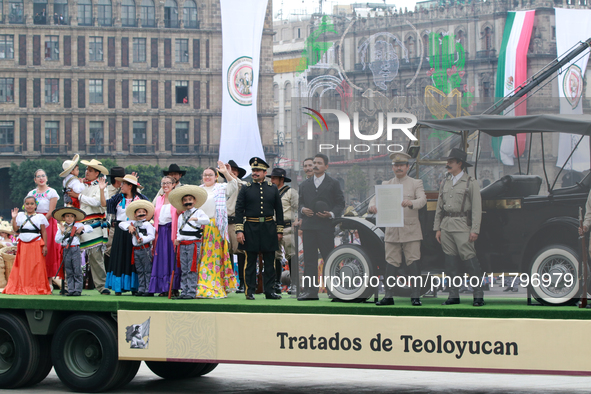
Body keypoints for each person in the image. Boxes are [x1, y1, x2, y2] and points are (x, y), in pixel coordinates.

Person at [368, 152, 427, 306]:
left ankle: (415, 296)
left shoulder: (416, 183)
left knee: (413, 261)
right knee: (391, 262)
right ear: (392, 167)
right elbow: (374, 199)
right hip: (392, 229)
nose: (398, 168)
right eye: (396, 165)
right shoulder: (386, 185)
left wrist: (411, 202)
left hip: (411, 230)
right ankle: (388, 295)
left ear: (407, 167)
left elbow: (422, 200)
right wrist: (371, 206)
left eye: (402, 165)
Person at [433, 148, 484, 307]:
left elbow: (476, 208)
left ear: (459, 164)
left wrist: (475, 229)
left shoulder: (470, 182)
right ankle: (453, 295)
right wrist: (437, 228)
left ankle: (478, 295)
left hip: (462, 224)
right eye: (448, 161)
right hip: (447, 224)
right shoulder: (446, 181)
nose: (447, 164)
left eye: (451, 162)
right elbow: (439, 207)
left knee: (470, 260)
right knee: (450, 263)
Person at [235, 157, 284, 300]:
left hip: (269, 227)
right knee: (250, 262)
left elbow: (279, 211)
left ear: (264, 172)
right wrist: (239, 230)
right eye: (253, 170)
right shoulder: (246, 188)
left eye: (258, 171)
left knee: (270, 262)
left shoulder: (272, 188)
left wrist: (279, 230)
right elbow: (239, 210)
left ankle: (270, 291)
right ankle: (249, 291)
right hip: (251, 227)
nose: (255, 173)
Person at [297, 153, 345, 300]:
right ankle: (311, 292)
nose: (315, 165)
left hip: (325, 227)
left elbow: (340, 203)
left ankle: (335, 290)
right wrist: (302, 210)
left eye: (318, 163)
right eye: (314, 163)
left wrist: (331, 214)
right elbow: (300, 203)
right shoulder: (304, 184)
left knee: (330, 259)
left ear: (326, 166)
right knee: (309, 260)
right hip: (309, 227)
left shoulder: (334, 183)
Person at [99, 174, 148, 295]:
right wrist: (101, 190)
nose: (121, 186)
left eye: (124, 184)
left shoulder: (141, 199)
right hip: (120, 232)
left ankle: (135, 286)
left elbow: (148, 212)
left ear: (130, 186)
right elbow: (104, 203)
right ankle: (118, 287)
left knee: (133, 259)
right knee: (119, 257)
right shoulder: (118, 198)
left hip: (135, 230)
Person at [196, 162, 238, 298]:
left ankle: (214, 284)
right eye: (205, 175)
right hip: (198, 227)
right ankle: (199, 285)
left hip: (214, 226)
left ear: (216, 177)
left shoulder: (221, 188)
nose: (207, 177)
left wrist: (226, 172)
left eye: (210, 175)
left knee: (212, 257)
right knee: (199, 256)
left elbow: (234, 185)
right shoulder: (198, 190)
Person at [69, 159, 110, 294]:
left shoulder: (102, 186)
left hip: (94, 226)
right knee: (72, 256)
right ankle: (72, 285)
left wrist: (79, 196)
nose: (87, 172)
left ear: (97, 173)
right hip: (78, 223)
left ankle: (102, 286)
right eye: (86, 169)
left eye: (90, 170)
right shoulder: (80, 185)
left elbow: (99, 202)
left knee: (96, 257)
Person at [3, 196, 51, 295]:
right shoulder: (20, 215)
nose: (29, 206)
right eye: (27, 204)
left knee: (36, 265)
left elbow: (44, 232)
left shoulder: (40, 217)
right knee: (22, 266)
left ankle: (37, 287)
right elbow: (16, 229)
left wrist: (45, 246)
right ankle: (21, 286)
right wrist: (14, 218)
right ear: (24, 205)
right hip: (23, 244)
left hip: (36, 243)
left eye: (31, 204)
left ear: (35, 205)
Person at [169, 185, 209, 299]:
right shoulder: (181, 215)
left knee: (192, 268)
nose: (187, 202)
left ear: (194, 201)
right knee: (184, 268)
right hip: (182, 243)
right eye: (185, 200)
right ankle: (184, 291)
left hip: (193, 243)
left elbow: (206, 221)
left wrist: (197, 219)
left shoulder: (199, 212)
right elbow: (179, 230)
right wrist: (177, 239)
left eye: (190, 200)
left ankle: (191, 291)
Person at [149, 175, 181, 296]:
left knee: (173, 258)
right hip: (160, 232)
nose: (165, 185)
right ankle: (163, 287)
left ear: (173, 185)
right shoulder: (159, 199)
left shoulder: (176, 199)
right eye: (163, 183)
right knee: (161, 259)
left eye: (168, 183)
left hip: (172, 230)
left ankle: (174, 287)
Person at [267, 167, 298, 294]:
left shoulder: (291, 192)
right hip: (272, 227)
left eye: (274, 178)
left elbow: (299, 207)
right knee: (276, 256)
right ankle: (277, 283)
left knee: (292, 255)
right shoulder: (269, 192)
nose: (272, 180)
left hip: (287, 227)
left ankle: (295, 284)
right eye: (271, 178)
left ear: (282, 179)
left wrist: (298, 220)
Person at [28, 169, 61, 285]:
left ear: (46, 178)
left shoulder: (52, 192)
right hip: (35, 222)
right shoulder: (31, 193)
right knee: (35, 249)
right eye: (38, 176)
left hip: (47, 222)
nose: (41, 178)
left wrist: (40, 222)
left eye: (43, 176)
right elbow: (29, 209)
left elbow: (51, 211)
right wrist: (34, 222)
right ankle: (36, 280)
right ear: (35, 180)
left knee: (48, 249)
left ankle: (49, 281)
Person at [119, 200, 155, 297]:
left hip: (145, 249)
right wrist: (129, 227)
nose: (141, 214)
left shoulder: (147, 224)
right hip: (136, 250)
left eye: (143, 212)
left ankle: (148, 289)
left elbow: (152, 236)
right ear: (135, 214)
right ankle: (142, 288)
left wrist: (143, 239)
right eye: (139, 212)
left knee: (147, 270)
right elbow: (121, 224)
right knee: (139, 270)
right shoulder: (132, 224)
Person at [53, 207, 91, 296]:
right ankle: (70, 290)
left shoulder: (77, 225)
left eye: (72, 216)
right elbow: (57, 240)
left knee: (77, 270)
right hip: (66, 249)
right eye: (67, 216)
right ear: (63, 218)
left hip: (75, 249)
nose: (69, 218)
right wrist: (62, 233)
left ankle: (77, 290)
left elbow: (90, 228)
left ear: (74, 218)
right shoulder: (62, 228)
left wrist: (82, 227)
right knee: (69, 271)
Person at [223, 160, 247, 293]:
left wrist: (230, 175)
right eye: (229, 171)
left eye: (234, 171)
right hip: (223, 223)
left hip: (236, 222)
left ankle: (243, 283)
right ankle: (229, 282)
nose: (231, 173)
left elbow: (239, 184)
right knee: (227, 254)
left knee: (240, 252)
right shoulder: (221, 186)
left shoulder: (242, 185)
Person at [104, 166, 126, 272]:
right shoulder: (107, 191)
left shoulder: (126, 190)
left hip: (124, 223)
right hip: (111, 224)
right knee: (109, 248)